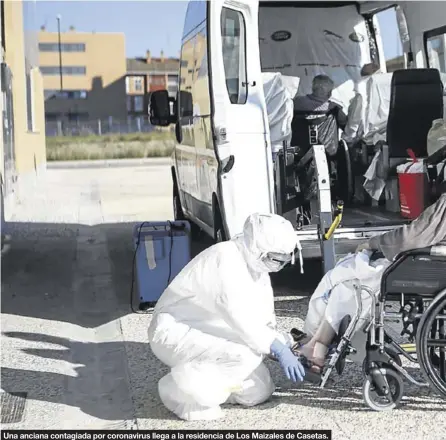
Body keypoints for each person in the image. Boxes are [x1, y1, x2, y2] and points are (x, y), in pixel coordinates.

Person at [148, 213, 305, 421]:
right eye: (276, 259)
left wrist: (287, 344)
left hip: (210, 327)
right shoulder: (224, 259)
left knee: (259, 391)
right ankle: (178, 391)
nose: (280, 265)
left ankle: (212, 386)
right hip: (175, 331)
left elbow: (263, 318)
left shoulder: (256, 265)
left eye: (285, 260)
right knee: (244, 355)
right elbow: (240, 317)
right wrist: (277, 347)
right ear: (257, 248)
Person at [297, 184, 446, 374]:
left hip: (426, 268)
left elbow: (410, 238)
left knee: (352, 280)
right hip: (433, 265)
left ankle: (317, 344)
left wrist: (373, 242)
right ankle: (316, 343)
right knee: (348, 281)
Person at [293, 75, 348, 156]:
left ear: (313, 88)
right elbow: (346, 126)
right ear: (329, 93)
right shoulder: (334, 108)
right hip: (326, 156)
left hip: (298, 153)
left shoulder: (296, 103)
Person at [342, 62, 381, 144]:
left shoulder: (363, 92)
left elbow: (355, 119)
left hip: (369, 141)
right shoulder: (391, 86)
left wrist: (348, 138)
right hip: (389, 137)